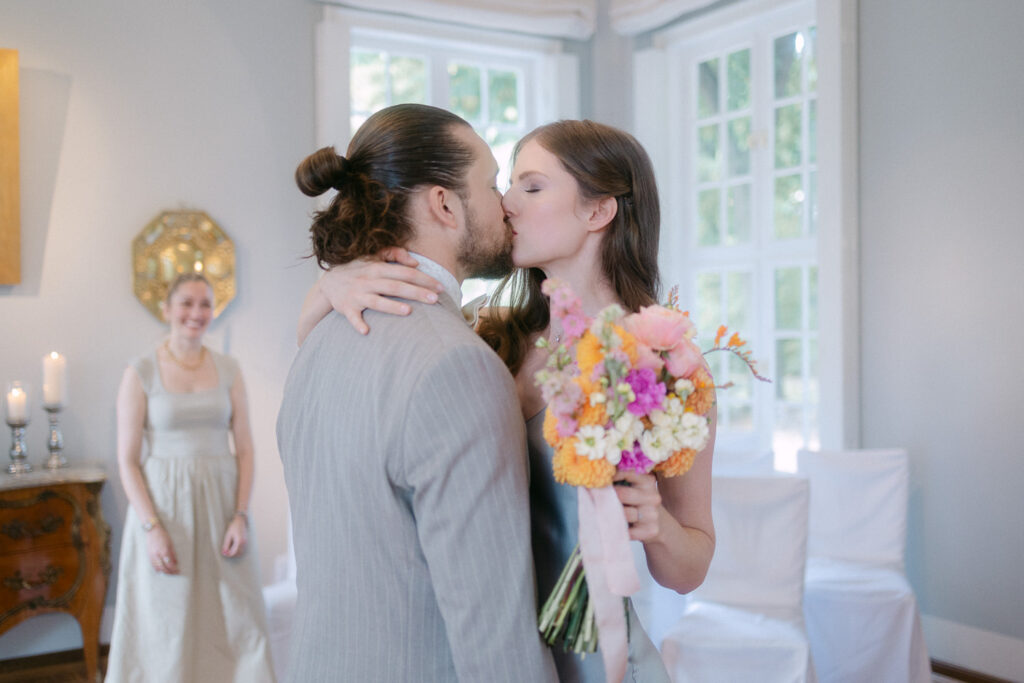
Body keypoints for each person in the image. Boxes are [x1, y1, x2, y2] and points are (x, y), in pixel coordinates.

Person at [298, 119, 717, 683]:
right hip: (496, 651)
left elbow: (691, 567)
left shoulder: (666, 363)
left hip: (598, 656)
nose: (506, 204)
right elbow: (360, 358)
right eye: (506, 184)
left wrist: (656, 522)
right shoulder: (483, 336)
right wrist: (332, 284)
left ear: (598, 212)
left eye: (531, 186)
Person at [276, 103, 557, 682]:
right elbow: (494, 634)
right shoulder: (458, 366)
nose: (505, 204)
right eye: (492, 183)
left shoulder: (319, 337)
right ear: (444, 204)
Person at [107, 272, 275, 683]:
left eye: (204, 304)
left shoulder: (229, 369)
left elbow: (247, 448)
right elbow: (127, 460)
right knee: (165, 619)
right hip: (164, 510)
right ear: (166, 308)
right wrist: (151, 527)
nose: (196, 313)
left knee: (234, 615)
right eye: (186, 302)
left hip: (221, 507)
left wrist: (240, 514)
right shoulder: (140, 371)